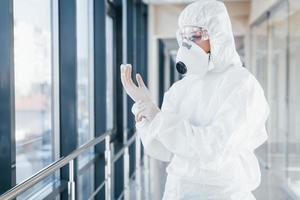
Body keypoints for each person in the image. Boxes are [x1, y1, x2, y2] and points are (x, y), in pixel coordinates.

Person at [120, 0, 270, 199]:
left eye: (196, 36)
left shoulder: (241, 84)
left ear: (218, 35)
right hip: (177, 189)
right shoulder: (182, 88)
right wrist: (146, 113)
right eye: (184, 37)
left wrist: (160, 119)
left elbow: (214, 147)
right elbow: (164, 150)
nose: (187, 45)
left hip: (223, 192)